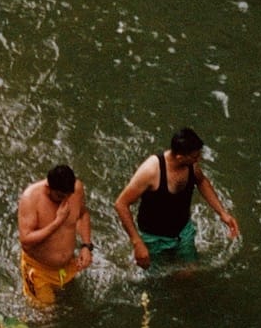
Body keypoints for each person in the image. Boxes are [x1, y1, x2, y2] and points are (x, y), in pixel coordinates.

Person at [115, 126, 240, 270]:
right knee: (157, 280)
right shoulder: (151, 171)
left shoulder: (191, 165)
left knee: (189, 273)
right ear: (180, 157)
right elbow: (121, 204)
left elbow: (202, 181)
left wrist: (222, 213)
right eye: (195, 156)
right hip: (154, 238)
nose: (198, 159)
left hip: (183, 232)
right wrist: (137, 243)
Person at [18, 161, 93, 310]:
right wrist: (57, 222)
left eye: (68, 195)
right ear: (48, 188)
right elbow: (25, 241)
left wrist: (86, 246)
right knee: (47, 319)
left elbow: (83, 215)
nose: (65, 200)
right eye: (60, 196)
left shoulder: (76, 189)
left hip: (68, 266)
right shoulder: (30, 198)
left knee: (77, 308)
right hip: (39, 271)